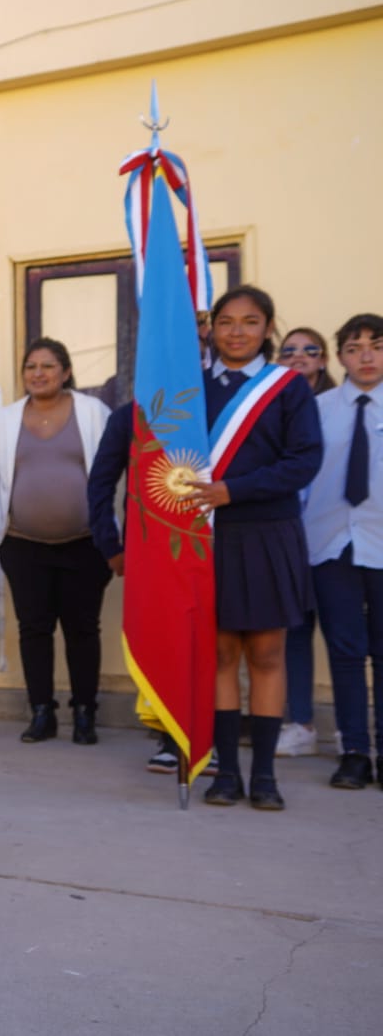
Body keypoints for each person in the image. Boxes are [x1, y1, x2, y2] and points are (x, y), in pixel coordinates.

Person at [182, 286, 321, 810]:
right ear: (212, 328)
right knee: (220, 655)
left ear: (267, 328)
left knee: (266, 653)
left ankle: (265, 775)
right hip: (210, 537)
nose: (237, 331)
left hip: (268, 532)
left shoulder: (288, 389)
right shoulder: (191, 390)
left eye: (251, 321)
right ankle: (226, 774)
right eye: (227, 322)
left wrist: (233, 490)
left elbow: (304, 461)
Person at [0, 338, 112, 744]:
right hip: (24, 545)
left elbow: (112, 475)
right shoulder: (5, 420)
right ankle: (41, 712)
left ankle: (84, 712)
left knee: (82, 629)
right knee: (33, 629)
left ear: (66, 372)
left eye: (48, 366)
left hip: (85, 544)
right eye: (30, 367)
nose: (38, 373)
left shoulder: (94, 413)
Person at [305, 313, 383, 790]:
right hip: (332, 542)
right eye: (354, 348)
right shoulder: (319, 409)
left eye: (376, 345)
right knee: (346, 650)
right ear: (340, 358)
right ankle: (354, 751)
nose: (367, 356)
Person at [276, 325, 337, 758]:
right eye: (289, 350)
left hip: (336, 539)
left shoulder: (339, 407)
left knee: (345, 636)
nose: (299, 356)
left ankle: (354, 729)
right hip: (286, 540)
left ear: (324, 360)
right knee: (294, 634)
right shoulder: (271, 408)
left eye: (309, 350)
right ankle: (300, 723)